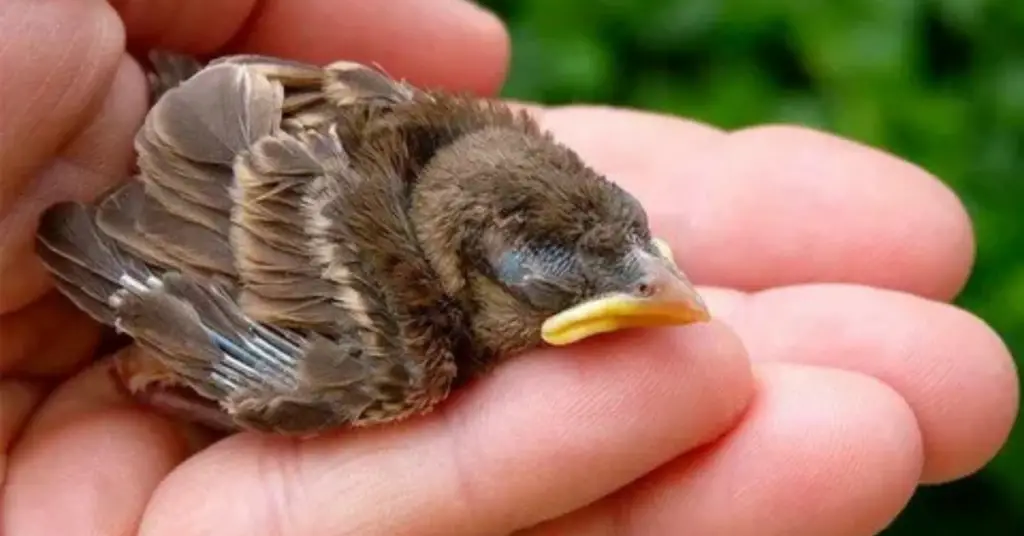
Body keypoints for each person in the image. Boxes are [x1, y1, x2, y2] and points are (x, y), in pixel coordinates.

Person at [0, 1, 1017, 534]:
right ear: (471, 278)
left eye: (632, 250)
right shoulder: (400, 347)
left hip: (225, 124)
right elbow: (226, 331)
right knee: (347, 381)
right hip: (180, 185)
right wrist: (164, 337)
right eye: (539, 273)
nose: (653, 281)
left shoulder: (488, 159)